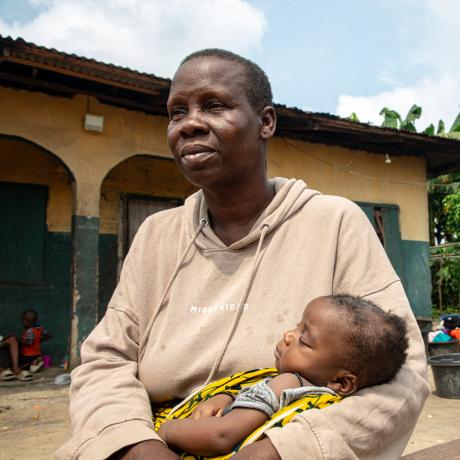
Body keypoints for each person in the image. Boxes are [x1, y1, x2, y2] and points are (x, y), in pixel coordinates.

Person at [57, 49, 429, 460]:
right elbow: (104, 362)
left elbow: (407, 373)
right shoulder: (155, 236)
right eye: (176, 112)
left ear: (265, 122)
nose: (190, 124)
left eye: (214, 106)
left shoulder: (335, 223)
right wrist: (135, 444)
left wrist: (283, 450)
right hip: (159, 441)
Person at [157, 294, 409, 457]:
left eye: (305, 339)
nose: (289, 335)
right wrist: (224, 398)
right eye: (297, 325)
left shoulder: (286, 383)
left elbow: (220, 435)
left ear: (341, 382)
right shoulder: (322, 402)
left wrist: (167, 432)